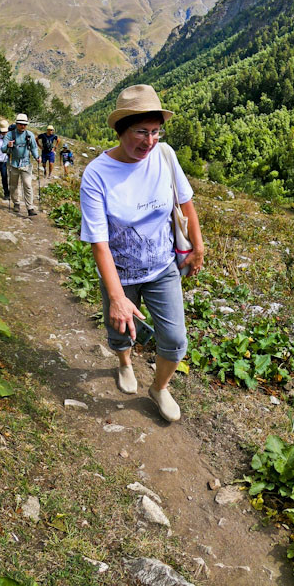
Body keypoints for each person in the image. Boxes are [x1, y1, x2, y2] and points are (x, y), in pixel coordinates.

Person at [80, 84, 204, 422]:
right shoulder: (97, 175)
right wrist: (117, 296)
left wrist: (198, 246)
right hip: (119, 272)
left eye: (154, 132)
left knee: (176, 338)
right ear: (121, 131)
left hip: (162, 267)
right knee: (120, 330)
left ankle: (159, 387)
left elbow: (185, 202)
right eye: (140, 132)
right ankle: (124, 363)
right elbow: (99, 241)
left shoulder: (165, 156)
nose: (149, 141)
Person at [1, 113, 40, 217]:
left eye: (25, 124)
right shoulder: (10, 135)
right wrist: (8, 146)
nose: (23, 126)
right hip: (13, 164)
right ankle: (16, 203)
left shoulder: (29, 135)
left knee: (27, 185)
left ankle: (30, 208)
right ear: (17, 124)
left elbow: (34, 148)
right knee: (13, 185)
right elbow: (3, 149)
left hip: (26, 164)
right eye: (21, 124)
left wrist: (37, 157)